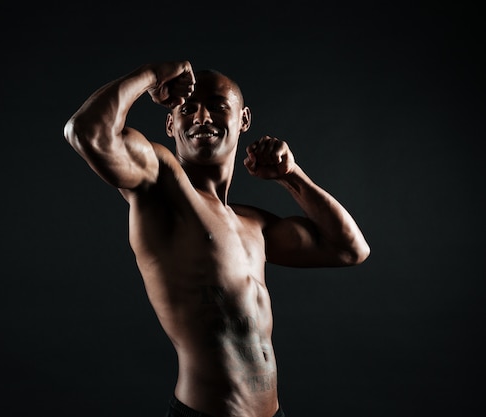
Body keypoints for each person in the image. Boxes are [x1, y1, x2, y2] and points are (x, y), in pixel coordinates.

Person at [64, 60, 370, 417]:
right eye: (188, 108)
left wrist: (292, 175)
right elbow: (86, 132)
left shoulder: (252, 224)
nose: (202, 117)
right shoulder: (162, 185)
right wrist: (153, 74)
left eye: (218, 106)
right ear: (170, 123)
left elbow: (350, 249)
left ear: (243, 120)